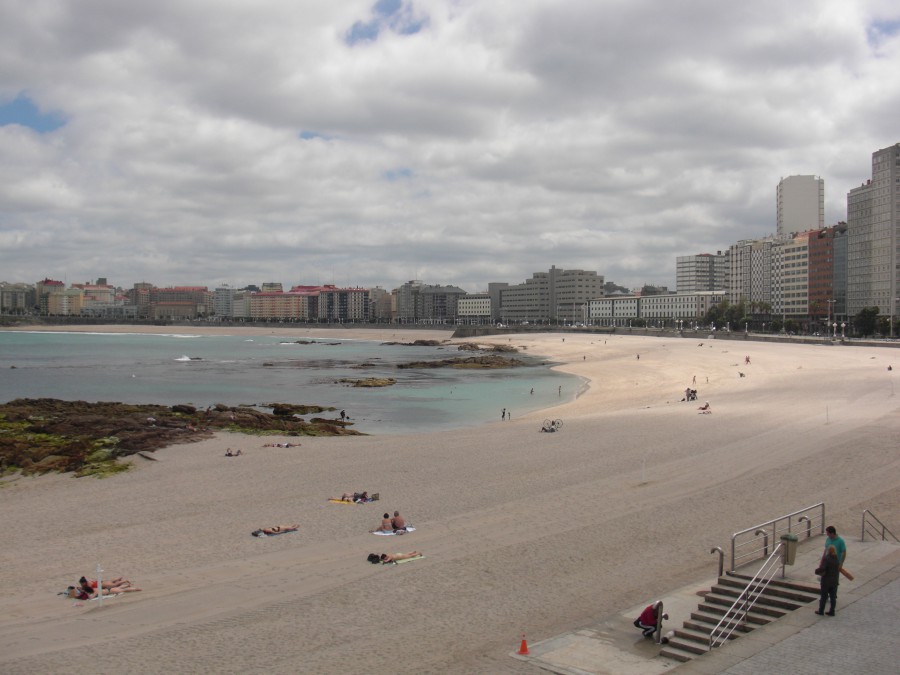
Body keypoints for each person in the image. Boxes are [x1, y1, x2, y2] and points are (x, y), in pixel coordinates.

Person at [815, 544, 840, 615]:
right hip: (834, 581)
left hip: (826, 581)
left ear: (828, 551)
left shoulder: (827, 558)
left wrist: (817, 571)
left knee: (824, 596)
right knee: (833, 597)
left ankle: (821, 611)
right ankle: (832, 611)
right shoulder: (836, 559)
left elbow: (823, 568)